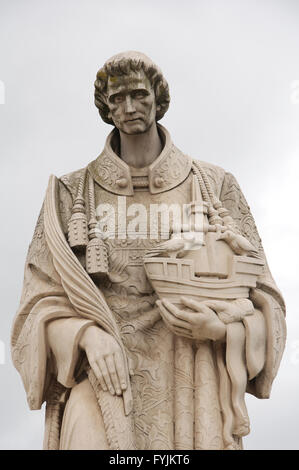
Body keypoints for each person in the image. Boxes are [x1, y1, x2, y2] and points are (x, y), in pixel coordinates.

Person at [11, 51, 286, 450]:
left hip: (194, 379)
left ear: (158, 99)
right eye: (117, 99)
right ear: (105, 107)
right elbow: (35, 307)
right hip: (103, 377)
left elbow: (266, 300)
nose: (128, 107)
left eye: (139, 95)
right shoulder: (69, 194)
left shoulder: (213, 185)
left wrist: (224, 330)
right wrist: (84, 335)